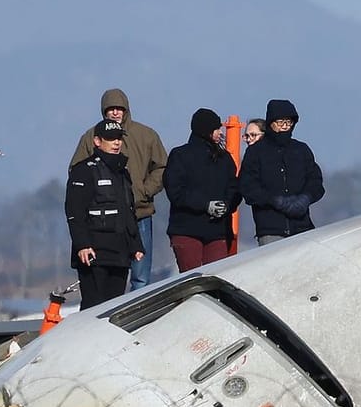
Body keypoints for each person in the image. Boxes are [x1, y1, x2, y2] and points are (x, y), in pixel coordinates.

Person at [70, 88, 167, 291]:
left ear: (126, 110)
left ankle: (139, 318)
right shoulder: (91, 137)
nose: (115, 112)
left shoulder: (146, 135)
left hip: (140, 213)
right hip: (105, 221)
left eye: (119, 108)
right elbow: (77, 171)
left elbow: (162, 167)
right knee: (110, 277)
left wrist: (143, 191)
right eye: (111, 109)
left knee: (140, 277)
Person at [66, 118, 145, 309]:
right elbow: (74, 212)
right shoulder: (83, 171)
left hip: (119, 254)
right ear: (97, 141)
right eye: (111, 138)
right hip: (94, 255)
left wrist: (136, 245)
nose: (116, 142)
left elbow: (128, 211)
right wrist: (83, 244)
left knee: (114, 309)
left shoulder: (122, 173)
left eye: (119, 138)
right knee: (93, 309)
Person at [239, 99, 325, 245]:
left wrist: (305, 199)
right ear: (271, 123)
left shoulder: (301, 150)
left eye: (289, 122)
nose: (285, 127)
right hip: (270, 230)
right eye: (280, 123)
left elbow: (315, 181)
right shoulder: (255, 152)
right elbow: (248, 188)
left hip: (302, 227)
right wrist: (274, 201)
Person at [164, 108, 241, 270]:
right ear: (206, 131)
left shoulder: (224, 158)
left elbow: (234, 187)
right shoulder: (180, 155)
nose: (220, 132)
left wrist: (227, 205)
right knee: (192, 279)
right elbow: (176, 192)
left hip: (218, 230)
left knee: (216, 277)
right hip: (187, 229)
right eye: (216, 129)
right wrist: (206, 205)